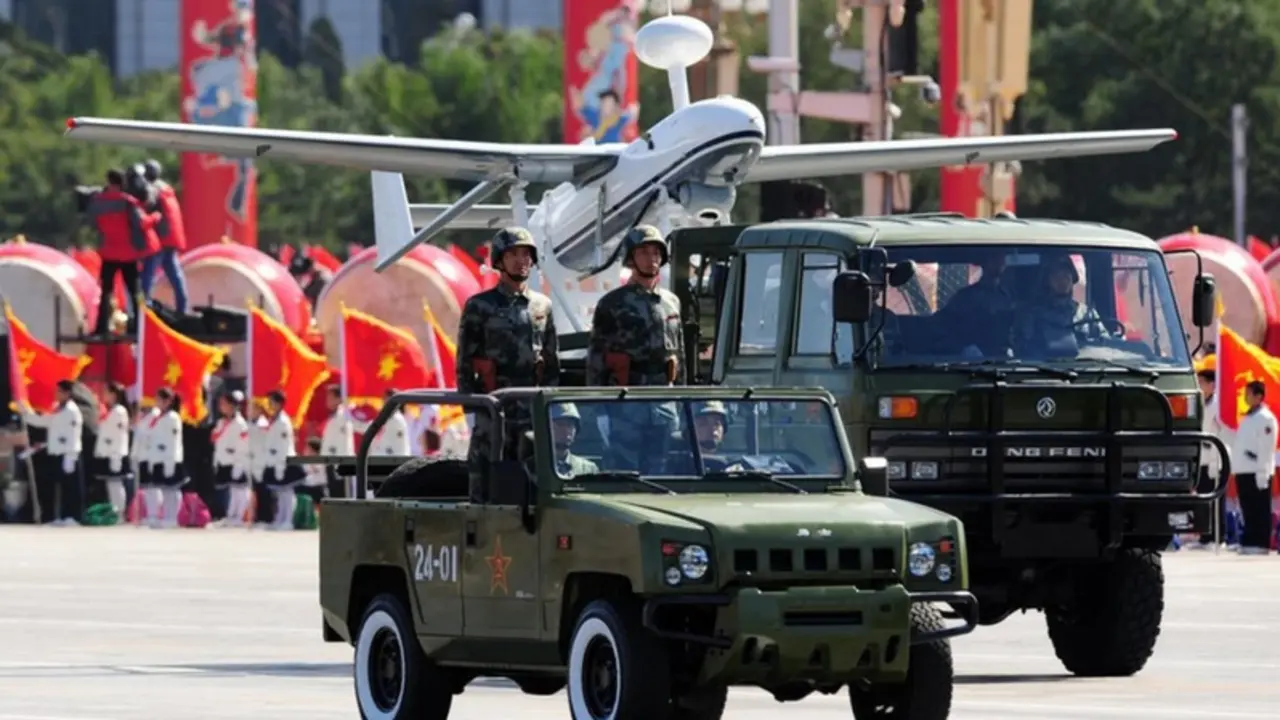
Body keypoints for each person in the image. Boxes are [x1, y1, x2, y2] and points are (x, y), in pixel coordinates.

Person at [456, 227, 559, 477]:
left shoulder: (542, 305)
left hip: (531, 407)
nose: (521, 260)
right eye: (513, 254)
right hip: (493, 406)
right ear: (500, 260)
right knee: (487, 477)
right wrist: (471, 407)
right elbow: (465, 362)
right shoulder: (480, 306)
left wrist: (553, 406)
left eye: (526, 254)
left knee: (531, 476)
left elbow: (551, 360)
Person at [587, 225, 684, 472]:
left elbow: (679, 353)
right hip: (625, 401)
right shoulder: (612, 304)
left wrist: (684, 399)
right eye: (644, 252)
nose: (652, 259)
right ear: (631, 258)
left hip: (664, 398)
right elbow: (597, 359)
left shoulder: (671, 302)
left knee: (662, 469)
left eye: (656, 253)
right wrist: (599, 410)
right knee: (623, 471)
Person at [88, 168, 162, 335]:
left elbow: (92, 223)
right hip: (127, 254)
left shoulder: (98, 202)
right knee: (136, 292)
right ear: (123, 184)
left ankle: (101, 327)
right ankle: (139, 326)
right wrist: (156, 216)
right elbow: (142, 223)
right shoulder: (128, 202)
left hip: (108, 252)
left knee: (106, 291)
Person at [1012, 254, 1109, 358]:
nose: (1062, 281)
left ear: (1072, 280)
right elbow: (1021, 350)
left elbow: (1105, 344)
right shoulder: (1033, 315)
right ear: (1047, 281)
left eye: (1066, 276)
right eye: (1056, 277)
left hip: (1084, 369)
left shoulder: (1087, 313)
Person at [22, 380, 85, 525]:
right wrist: (25, 411)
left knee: (70, 488)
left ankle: (72, 517)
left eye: (59, 391)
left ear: (67, 393)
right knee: (54, 486)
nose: (55, 394)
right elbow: (43, 422)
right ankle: (56, 517)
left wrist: (71, 455)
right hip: (55, 452)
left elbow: (73, 435)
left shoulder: (71, 410)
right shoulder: (57, 408)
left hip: (68, 454)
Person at [938, 252, 1016, 356]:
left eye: (1002, 258)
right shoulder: (965, 297)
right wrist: (963, 349)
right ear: (985, 263)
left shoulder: (1010, 297)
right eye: (994, 259)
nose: (1000, 262)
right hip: (970, 361)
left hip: (1008, 361)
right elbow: (946, 329)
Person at [140, 159, 191, 314]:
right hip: (172, 237)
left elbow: (147, 207)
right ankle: (182, 308)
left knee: (147, 275)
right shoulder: (167, 189)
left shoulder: (152, 189)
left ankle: (143, 306)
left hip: (161, 238)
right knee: (174, 274)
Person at [1231, 380, 1276, 555]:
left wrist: (1263, 472)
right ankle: (1250, 540)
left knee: (1259, 508)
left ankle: (1261, 542)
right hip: (1244, 468)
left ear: (1259, 396)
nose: (1246, 397)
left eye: (1249, 394)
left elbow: (1266, 447)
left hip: (1257, 469)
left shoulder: (1265, 418)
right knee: (1247, 507)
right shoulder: (1248, 416)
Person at [1192, 356, 1232, 548]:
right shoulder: (1199, 404)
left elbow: (1224, 432)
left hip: (1216, 458)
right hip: (1202, 458)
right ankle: (1205, 536)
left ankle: (1219, 536)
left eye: (1202, 383)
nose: (1199, 387)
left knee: (1217, 499)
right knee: (1203, 497)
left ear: (1212, 385)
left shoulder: (1220, 406)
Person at [258, 390, 299, 531]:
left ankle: (287, 520)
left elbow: (284, 446)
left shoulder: (283, 422)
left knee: (287, 492)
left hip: (283, 461)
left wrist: (280, 466)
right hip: (274, 461)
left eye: (272, 402)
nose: (270, 405)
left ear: (280, 404)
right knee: (280, 493)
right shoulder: (274, 419)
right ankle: (280, 518)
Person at [212, 390, 252, 526]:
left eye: (224, 404)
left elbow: (243, 446)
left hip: (236, 461)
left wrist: (239, 465)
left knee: (240, 490)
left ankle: (240, 516)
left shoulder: (241, 424)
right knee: (231, 490)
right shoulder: (221, 422)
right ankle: (230, 515)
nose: (221, 406)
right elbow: (217, 442)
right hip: (224, 460)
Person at [92, 382, 131, 518]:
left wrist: (116, 455)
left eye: (106, 392)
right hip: (106, 452)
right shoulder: (109, 410)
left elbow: (119, 435)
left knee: (116, 484)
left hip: (115, 453)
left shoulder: (119, 411)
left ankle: (120, 512)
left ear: (114, 394)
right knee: (110, 484)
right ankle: (114, 511)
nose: (104, 395)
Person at [149, 387, 186, 529]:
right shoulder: (159, 417)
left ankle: (172, 517)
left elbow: (173, 441)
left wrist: (170, 461)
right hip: (158, 457)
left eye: (159, 399)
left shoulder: (172, 417)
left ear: (168, 401)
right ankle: (166, 516)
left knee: (173, 490)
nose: (156, 402)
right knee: (164, 490)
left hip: (170, 458)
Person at [319, 385, 356, 498]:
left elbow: (343, 444)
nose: (327, 401)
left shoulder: (345, 416)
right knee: (334, 496)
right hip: (330, 462)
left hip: (341, 464)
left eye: (330, 398)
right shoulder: (333, 417)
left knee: (343, 497)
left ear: (339, 399)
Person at [549, 403, 598, 477]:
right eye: (560, 424)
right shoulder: (533, 467)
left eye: (570, 425)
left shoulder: (588, 469)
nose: (566, 430)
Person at [132, 401, 160, 525]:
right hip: (142, 456)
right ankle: (149, 514)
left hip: (152, 456)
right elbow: (137, 437)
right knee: (146, 487)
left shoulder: (156, 415)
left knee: (154, 487)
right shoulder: (142, 416)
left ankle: (155, 514)